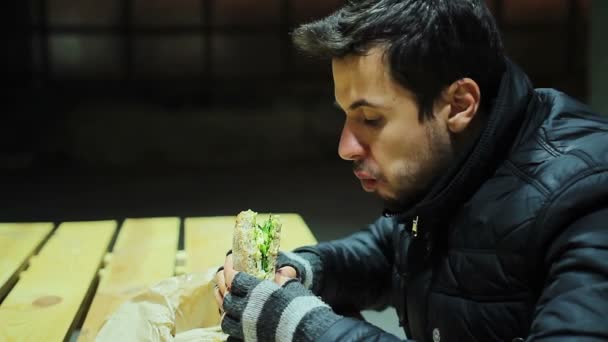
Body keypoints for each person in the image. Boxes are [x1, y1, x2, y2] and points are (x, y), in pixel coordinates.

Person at [214, 0, 608, 341]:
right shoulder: (463, 159)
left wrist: (304, 327)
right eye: (346, 117)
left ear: (458, 104)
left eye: (370, 118)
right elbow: (389, 250)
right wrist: (306, 269)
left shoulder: (589, 196)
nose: (345, 147)